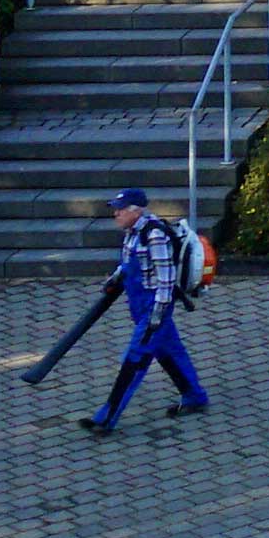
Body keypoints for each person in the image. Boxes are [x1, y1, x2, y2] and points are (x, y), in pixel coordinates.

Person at [80, 187, 211, 438]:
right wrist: (115, 278)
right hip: (140, 306)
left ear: (135, 211)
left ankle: (106, 418)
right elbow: (129, 263)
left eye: (120, 209)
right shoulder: (131, 233)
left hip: (153, 308)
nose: (115, 214)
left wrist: (156, 317)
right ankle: (194, 395)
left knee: (135, 360)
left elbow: (166, 279)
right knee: (170, 351)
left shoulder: (155, 236)